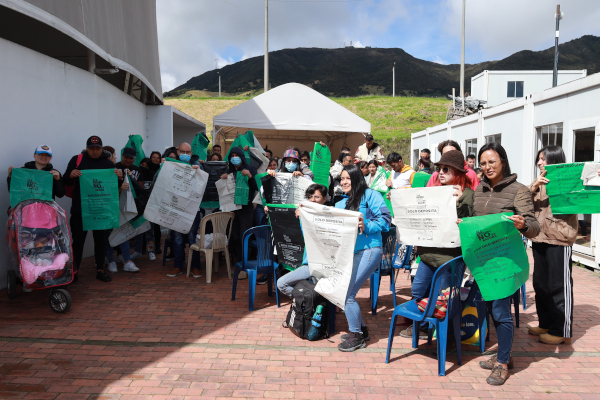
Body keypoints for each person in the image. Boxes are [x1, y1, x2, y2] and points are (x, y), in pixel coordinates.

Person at [469, 142, 539, 385]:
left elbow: (534, 226)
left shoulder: (519, 190)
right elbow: (475, 222)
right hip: (483, 261)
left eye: (492, 162)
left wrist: (523, 224)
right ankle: (504, 355)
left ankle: (501, 364)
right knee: (489, 310)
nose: (487, 167)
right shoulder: (479, 190)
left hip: (506, 261)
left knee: (500, 312)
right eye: (484, 163)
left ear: (503, 162)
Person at [399, 150, 474, 340]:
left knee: (444, 299)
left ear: (457, 172)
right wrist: (401, 202)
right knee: (418, 291)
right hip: (427, 255)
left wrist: (459, 204)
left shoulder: (467, 195)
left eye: (446, 169)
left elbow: (469, 224)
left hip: (450, 259)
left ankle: (446, 337)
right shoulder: (433, 192)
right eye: (439, 168)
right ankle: (423, 327)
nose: (440, 172)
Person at [336, 164, 391, 351]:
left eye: (347, 178)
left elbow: (386, 220)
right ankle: (361, 330)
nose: (344, 182)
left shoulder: (372, 195)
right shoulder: (341, 203)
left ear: (357, 178)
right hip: (351, 253)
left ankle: (357, 337)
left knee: (347, 295)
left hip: (369, 250)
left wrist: (365, 224)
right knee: (347, 293)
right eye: (342, 178)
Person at [528, 145, 577, 345]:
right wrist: (533, 186)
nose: (539, 163)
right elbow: (525, 206)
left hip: (560, 239)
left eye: (543, 159)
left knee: (559, 285)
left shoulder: (569, 181)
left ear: (554, 160)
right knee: (540, 284)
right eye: (539, 159)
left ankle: (561, 330)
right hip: (540, 238)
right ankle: (546, 323)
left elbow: (587, 194)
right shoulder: (539, 182)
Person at [63, 136, 123, 283]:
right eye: (92, 148)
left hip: (100, 209)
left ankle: (100, 269)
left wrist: (120, 177)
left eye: (97, 148)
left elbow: (114, 187)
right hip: (80, 210)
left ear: (101, 149)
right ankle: (74, 271)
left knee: (100, 241)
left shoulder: (108, 164)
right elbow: (65, 180)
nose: (95, 151)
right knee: (78, 241)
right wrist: (71, 174)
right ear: (87, 148)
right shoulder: (77, 160)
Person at [276, 184, 329, 297]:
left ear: (325, 198)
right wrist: (271, 211)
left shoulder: (328, 216)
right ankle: (308, 303)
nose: (312, 200)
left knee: (282, 283)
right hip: (307, 263)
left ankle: (311, 302)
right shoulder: (305, 213)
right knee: (283, 283)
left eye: (316, 197)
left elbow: (312, 237)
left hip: (316, 265)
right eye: (310, 197)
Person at [166, 142, 204, 278]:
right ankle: (178, 266)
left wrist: (198, 172)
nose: (185, 155)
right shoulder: (171, 166)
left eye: (187, 153)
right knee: (177, 239)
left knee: (192, 238)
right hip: (176, 208)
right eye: (182, 152)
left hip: (193, 209)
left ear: (191, 154)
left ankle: (195, 267)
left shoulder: (197, 166)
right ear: (177, 152)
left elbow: (203, 183)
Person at [221, 146, 258, 265]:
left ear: (242, 157)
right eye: (232, 156)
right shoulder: (228, 170)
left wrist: (250, 176)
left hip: (246, 209)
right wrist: (222, 179)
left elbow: (257, 187)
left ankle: (245, 264)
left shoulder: (250, 168)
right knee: (235, 236)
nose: (234, 158)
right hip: (232, 209)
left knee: (245, 237)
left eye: (236, 156)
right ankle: (238, 261)